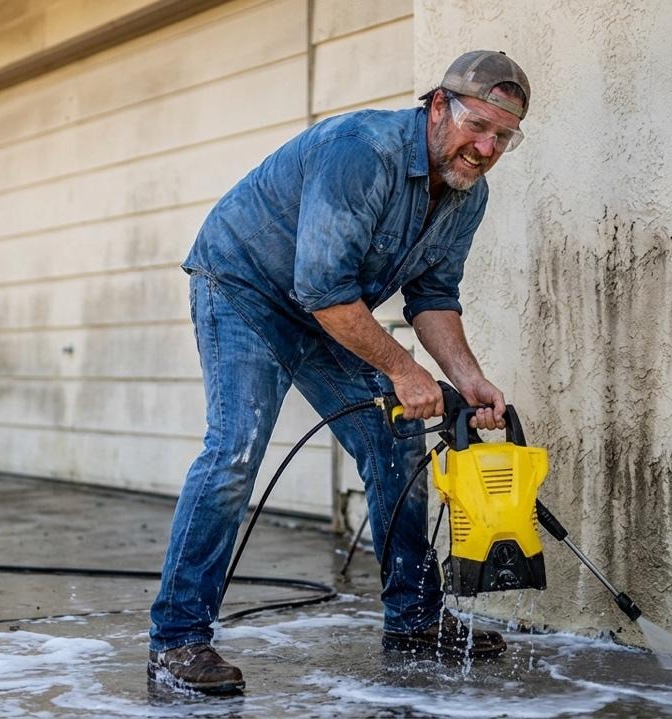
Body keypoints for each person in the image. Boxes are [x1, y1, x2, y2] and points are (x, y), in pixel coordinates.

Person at [146, 51, 532, 694]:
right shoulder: (362, 152)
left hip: (327, 307)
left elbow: (434, 296)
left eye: (503, 136)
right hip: (245, 289)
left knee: (394, 441)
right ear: (439, 106)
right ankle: (177, 641)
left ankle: (415, 619)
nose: (486, 148)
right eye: (477, 126)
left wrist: (468, 378)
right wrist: (404, 370)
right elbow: (323, 290)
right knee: (235, 450)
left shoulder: (468, 195)